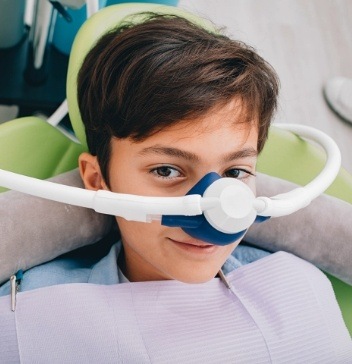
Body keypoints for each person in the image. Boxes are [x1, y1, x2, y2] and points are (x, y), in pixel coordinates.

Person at [0, 12, 351, 362]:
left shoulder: (300, 288)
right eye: (167, 170)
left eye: (234, 172)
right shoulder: (27, 318)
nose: (214, 211)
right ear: (96, 179)